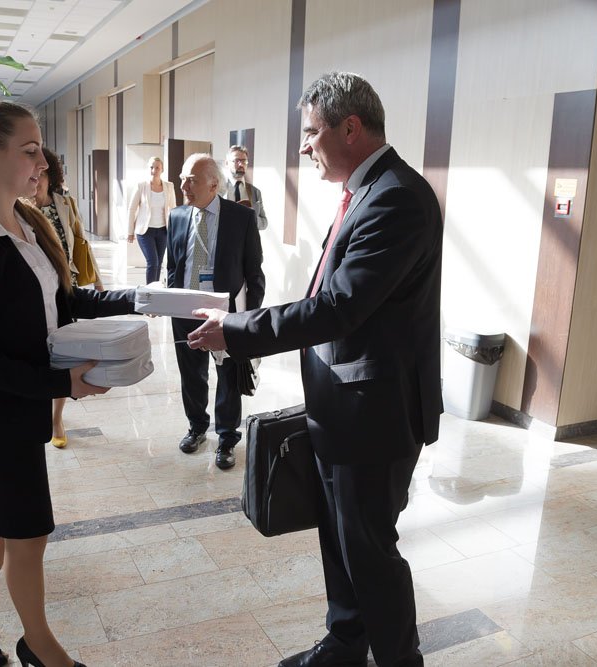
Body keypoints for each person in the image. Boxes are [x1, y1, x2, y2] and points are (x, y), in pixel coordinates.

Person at [188, 72, 442, 667]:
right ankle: (345, 644)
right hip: (341, 407)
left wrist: (239, 330)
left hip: (374, 416)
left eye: (310, 132)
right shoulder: (365, 190)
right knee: (339, 539)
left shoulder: (397, 197)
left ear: (350, 128)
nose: (304, 147)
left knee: (369, 551)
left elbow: (338, 307)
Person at [0, 98, 137, 667]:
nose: (41, 163)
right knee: (27, 532)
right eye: (29, 151)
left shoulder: (28, 223)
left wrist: (144, 298)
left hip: (18, 411)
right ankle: (41, 648)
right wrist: (58, 382)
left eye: (40, 151)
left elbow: (65, 301)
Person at [167, 154, 264, 470]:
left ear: (212, 184)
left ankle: (227, 438)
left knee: (228, 377)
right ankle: (197, 427)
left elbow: (254, 273)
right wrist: (166, 300)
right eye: (182, 179)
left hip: (226, 313)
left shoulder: (241, 218)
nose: (183, 187)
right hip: (185, 311)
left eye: (190, 180)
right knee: (191, 374)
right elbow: (174, 266)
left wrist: (248, 319)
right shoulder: (177, 216)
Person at [32, 146, 104, 449]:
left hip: (67, 287)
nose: (37, 178)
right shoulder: (18, 207)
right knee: (40, 353)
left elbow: (81, 244)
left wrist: (97, 280)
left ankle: (56, 418)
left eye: (43, 172)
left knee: (63, 355)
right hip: (36, 290)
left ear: (51, 175)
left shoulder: (65, 203)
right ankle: (38, 405)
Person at [127, 156, 177, 284]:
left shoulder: (169, 186)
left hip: (163, 231)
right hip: (145, 231)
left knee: (159, 263)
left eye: (157, 168)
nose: (154, 170)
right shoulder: (141, 186)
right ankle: (149, 290)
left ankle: (155, 290)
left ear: (162, 169)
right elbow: (132, 209)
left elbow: (173, 209)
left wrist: (174, 231)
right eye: (151, 167)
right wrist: (130, 232)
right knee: (153, 262)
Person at [220, 145, 268, 231]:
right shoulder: (218, 189)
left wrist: (251, 216)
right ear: (227, 163)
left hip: (248, 239)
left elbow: (264, 223)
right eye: (237, 160)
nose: (241, 164)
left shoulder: (255, 191)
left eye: (244, 161)